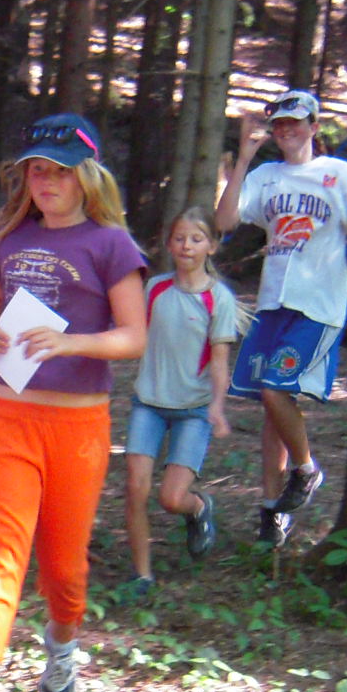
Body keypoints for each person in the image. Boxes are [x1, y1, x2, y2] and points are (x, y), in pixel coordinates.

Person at [0, 112, 147, 692]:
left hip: (78, 427)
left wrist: (71, 343)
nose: (47, 182)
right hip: (7, 417)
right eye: (37, 170)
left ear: (87, 176)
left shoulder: (111, 244)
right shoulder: (11, 238)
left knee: (64, 567)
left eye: (60, 171)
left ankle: (62, 644)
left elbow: (134, 336)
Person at [212, 88, 347, 548]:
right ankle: (272, 510)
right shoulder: (266, 176)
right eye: (279, 124)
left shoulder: (339, 174)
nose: (286, 131)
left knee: (275, 389)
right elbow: (225, 221)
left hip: (317, 305)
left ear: (314, 127)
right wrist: (244, 158)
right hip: (272, 304)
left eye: (295, 123)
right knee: (272, 405)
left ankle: (305, 469)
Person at [119, 206, 240, 599]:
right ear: (169, 245)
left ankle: (198, 507)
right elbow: (128, 331)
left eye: (196, 239)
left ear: (212, 246)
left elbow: (219, 360)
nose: (187, 246)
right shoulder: (154, 289)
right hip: (148, 403)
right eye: (180, 238)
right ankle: (142, 575)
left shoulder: (218, 299)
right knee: (135, 488)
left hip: (194, 411)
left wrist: (217, 407)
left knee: (171, 498)